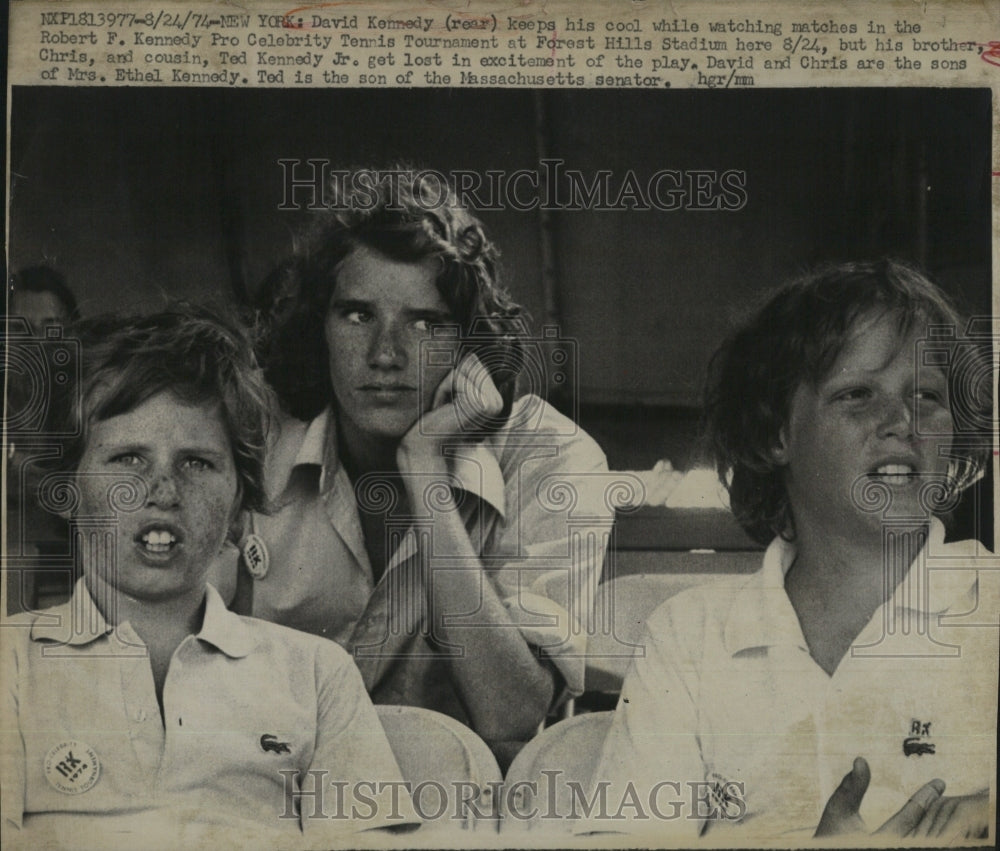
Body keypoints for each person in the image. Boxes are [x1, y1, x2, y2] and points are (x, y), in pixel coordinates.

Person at [586, 261, 997, 843]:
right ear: (775, 434)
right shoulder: (689, 638)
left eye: (926, 395)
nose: (903, 422)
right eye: (857, 394)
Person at [231, 168, 614, 763]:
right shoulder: (253, 436)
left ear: (468, 342)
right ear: (320, 327)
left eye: (424, 322)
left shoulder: (554, 457)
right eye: (357, 315)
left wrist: (426, 469)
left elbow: (511, 716)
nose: (386, 354)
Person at [1, 307, 418, 846]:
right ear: (66, 488)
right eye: (128, 458)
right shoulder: (10, 664)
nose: (163, 491)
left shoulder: (316, 675)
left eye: (197, 463)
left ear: (240, 498)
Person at [4, 266, 81, 613]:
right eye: (22, 329)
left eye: (52, 327)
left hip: (77, 560)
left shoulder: (87, 393)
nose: (37, 342)